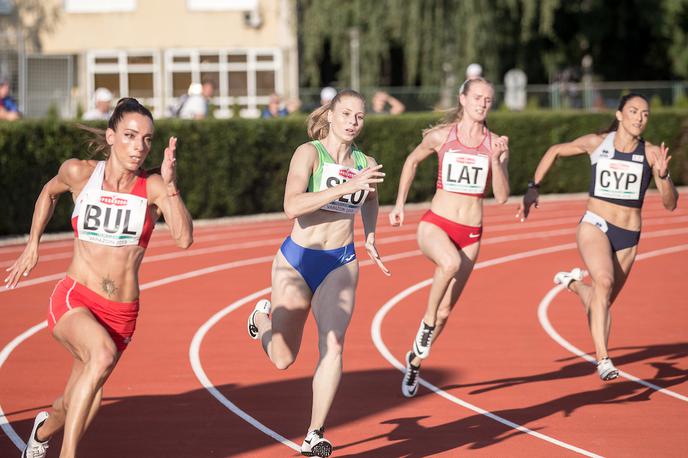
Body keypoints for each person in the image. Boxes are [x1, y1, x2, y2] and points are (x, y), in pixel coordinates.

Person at [4, 97, 193, 457]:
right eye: (130, 136)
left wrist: (171, 186)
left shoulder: (152, 187)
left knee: (79, 398)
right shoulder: (80, 173)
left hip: (121, 315)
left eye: (147, 139)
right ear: (110, 136)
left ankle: (41, 434)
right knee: (101, 356)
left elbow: (184, 239)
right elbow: (48, 193)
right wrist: (32, 244)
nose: (139, 147)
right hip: (76, 297)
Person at [246, 89, 389, 457]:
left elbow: (371, 199)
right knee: (282, 358)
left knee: (334, 345)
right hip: (297, 260)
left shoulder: (364, 160)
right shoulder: (309, 152)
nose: (352, 122)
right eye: (345, 114)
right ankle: (262, 319)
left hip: (340, 260)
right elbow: (291, 206)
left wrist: (370, 234)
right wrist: (348, 186)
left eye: (359, 116)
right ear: (330, 115)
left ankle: (314, 435)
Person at [516, 93, 678, 381]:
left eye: (645, 114)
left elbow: (670, 204)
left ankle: (574, 284)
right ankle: (603, 359)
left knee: (599, 301)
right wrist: (533, 187)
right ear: (619, 115)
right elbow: (554, 150)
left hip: (629, 235)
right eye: (633, 111)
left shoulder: (651, 153)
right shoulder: (597, 143)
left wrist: (663, 178)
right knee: (603, 282)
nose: (639, 118)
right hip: (595, 224)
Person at [389, 77, 510, 398]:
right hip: (436, 224)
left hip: (471, 232)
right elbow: (412, 161)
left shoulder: (495, 143)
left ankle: (414, 360)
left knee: (446, 311)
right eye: (478, 97)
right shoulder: (442, 136)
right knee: (449, 263)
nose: (483, 103)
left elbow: (500, 197)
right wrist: (400, 203)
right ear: (463, 99)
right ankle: (425, 326)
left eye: (488, 99)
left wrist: (497, 161)